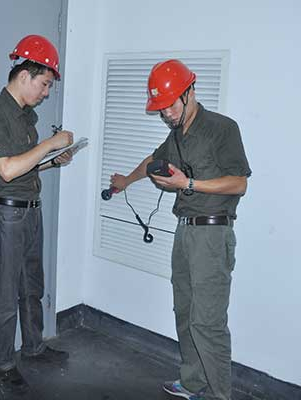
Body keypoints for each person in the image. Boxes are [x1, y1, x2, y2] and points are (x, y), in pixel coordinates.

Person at [110, 59, 251, 400]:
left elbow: (239, 183)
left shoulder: (222, 128)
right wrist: (126, 181)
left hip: (212, 235)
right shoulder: (176, 135)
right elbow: (153, 161)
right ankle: (193, 383)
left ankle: (219, 395)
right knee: (185, 312)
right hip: (184, 232)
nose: (167, 114)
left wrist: (187, 183)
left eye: (171, 105)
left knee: (208, 321)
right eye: (160, 109)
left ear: (190, 92)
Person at [0, 34, 73, 394]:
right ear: (23, 76)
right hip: (7, 217)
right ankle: (3, 364)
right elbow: (6, 171)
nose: (46, 93)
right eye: (44, 84)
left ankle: (34, 347)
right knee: (5, 295)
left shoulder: (25, 117)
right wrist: (48, 144)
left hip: (30, 212)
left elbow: (23, 167)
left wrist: (52, 161)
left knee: (32, 287)